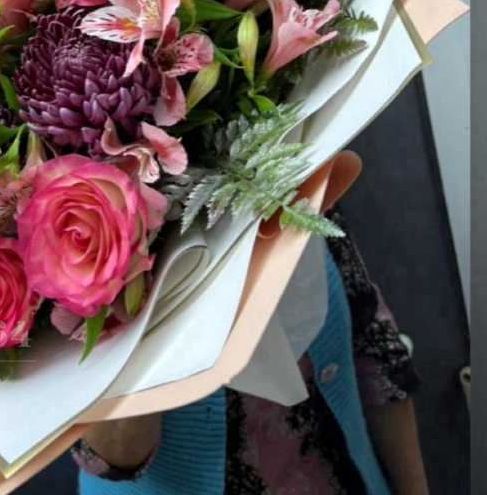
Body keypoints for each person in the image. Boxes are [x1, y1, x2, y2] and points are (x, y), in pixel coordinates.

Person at [72, 211, 428, 495]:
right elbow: (115, 457)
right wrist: (133, 274)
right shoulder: (78, 239)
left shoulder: (294, 180)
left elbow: (375, 348)